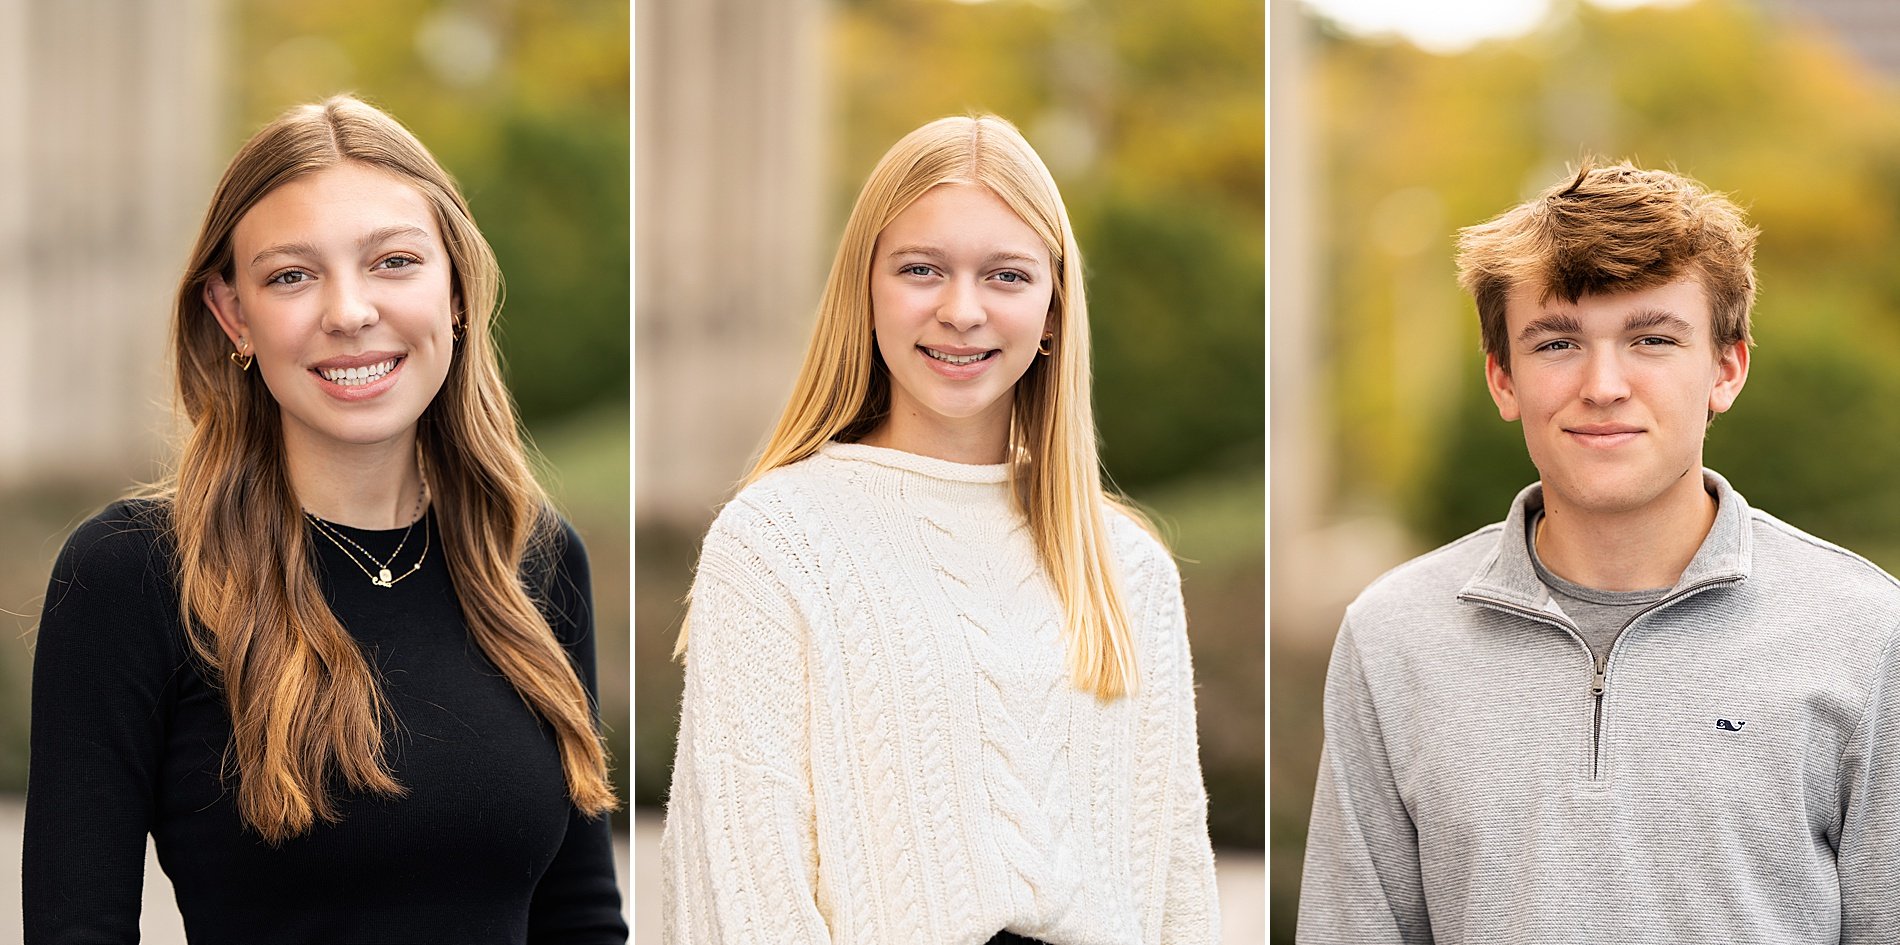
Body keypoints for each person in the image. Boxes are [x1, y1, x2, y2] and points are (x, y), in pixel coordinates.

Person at [23, 96, 628, 944]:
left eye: (393, 261)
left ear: (455, 289)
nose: (348, 312)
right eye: (291, 276)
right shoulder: (133, 573)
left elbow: (582, 920)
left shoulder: (530, 556)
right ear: (234, 316)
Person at [1298, 160, 1900, 942]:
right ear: (1503, 379)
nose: (1604, 383)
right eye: (1557, 343)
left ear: (1725, 368)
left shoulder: (1866, 632)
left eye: (1652, 338)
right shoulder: (1392, 637)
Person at [658, 115, 1219, 944]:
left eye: (1007, 275)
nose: (962, 310)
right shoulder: (777, 540)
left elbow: (1177, 886)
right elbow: (744, 881)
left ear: (1054, 308)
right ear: (867, 289)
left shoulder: (1128, 567)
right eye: (922, 269)